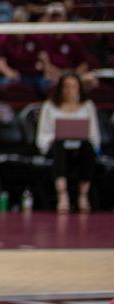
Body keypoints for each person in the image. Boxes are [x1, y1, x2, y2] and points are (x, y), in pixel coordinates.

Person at [36, 73, 101, 215]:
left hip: (80, 148)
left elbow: (94, 135)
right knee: (60, 143)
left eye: (74, 86)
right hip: (56, 148)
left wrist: (91, 143)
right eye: (67, 86)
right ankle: (62, 194)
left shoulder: (88, 105)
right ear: (60, 88)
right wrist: (53, 138)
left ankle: (83, 195)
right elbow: (42, 136)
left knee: (87, 146)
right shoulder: (49, 106)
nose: (70, 90)